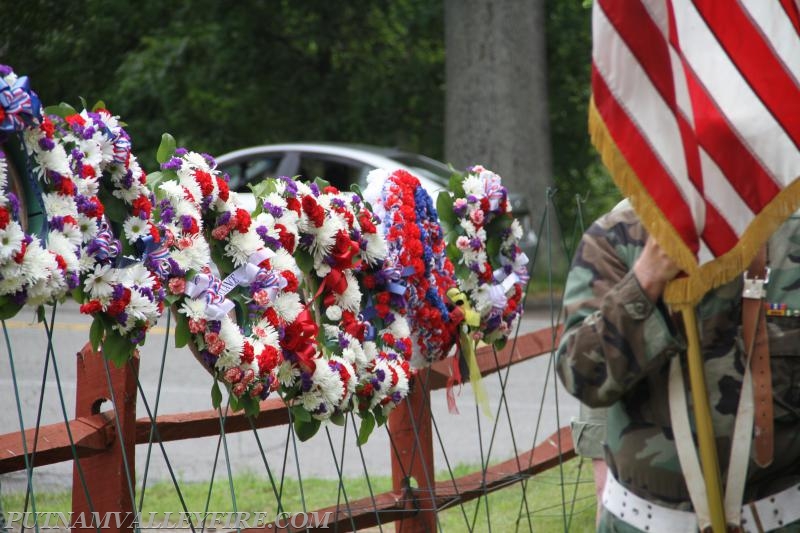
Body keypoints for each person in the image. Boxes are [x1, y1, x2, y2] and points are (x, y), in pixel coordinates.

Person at [557, 201, 800, 532]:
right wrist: (645, 280)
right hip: (642, 522)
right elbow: (583, 376)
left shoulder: (792, 230)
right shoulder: (617, 236)